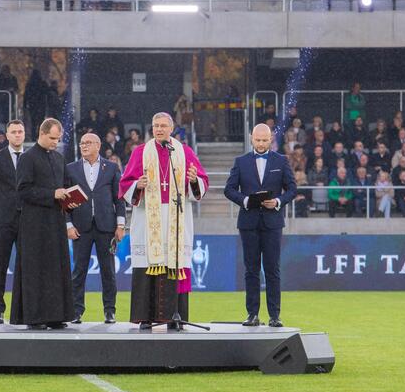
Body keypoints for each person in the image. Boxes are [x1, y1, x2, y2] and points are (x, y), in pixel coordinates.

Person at [119, 112, 209, 329]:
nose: (158, 129)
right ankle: (145, 317)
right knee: (147, 265)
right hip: (147, 217)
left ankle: (174, 318)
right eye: (155, 126)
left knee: (174, 264)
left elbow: (202, 181)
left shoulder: (184, 152)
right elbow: (125, 184)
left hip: (176, 218)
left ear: (171, 128)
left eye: (163, 126)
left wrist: (193, 180)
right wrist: (136, 186)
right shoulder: (140, 152)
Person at [224, 123, 296, 327]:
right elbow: (229, 190)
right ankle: (252, 314)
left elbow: (292, 188)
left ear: (271, 138)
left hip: (273, 223)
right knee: (251, 270)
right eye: (258, 140)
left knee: (273, 269)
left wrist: (278, 202)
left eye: (265, 140)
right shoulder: (241, 161)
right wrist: (245, 201)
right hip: (248, 222)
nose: (262, 143)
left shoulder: (281, 161)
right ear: (251, 138)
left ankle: (275, 316)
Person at [11, 118, 77, 330]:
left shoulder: (59, 158)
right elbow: (23, 190)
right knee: (36, 270)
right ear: (41, 133)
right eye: (52, 138)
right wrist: (52, 194)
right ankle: (35, 317)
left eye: (57, 139)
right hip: (34, 224)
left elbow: (66, 186)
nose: (55, 143)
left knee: (57, 269)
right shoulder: (28, 158)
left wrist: (71, 199)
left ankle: (57, 315)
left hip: (56, 222)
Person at [65, 133, 126, 324]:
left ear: (98, 146)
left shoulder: (112, 167)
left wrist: (121, 224)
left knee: (108, 271)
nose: (84, 146)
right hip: (80, 228)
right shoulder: (70, 169)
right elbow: (64, 200)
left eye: (88, 143)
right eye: (82, 143)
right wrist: (68, 225)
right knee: (78, 271)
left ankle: (110, 311)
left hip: (106, 227)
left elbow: (119, 198)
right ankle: (76, 311)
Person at [0, 120, 25, 324]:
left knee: (26, 265)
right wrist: (0, 208)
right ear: (7, 135)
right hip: (3, 221)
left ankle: (25, 308)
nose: (17, 135)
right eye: (14, 132)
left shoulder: (31, 158)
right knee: (0, 264)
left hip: (27, 221)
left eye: (20, 131)